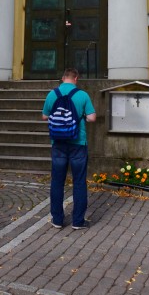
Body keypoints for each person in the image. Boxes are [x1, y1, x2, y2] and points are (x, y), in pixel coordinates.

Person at [42, 68, 96, 229]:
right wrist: (83, 116)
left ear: (62, 78)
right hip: (78, 143)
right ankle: (78, 221)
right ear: (76, 78)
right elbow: (92, 118)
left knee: (57, 181)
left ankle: (57, 220)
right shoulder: (82, 95)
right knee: (79, 181)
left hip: (58, 143)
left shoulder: (52, 94)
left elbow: (44, 116)